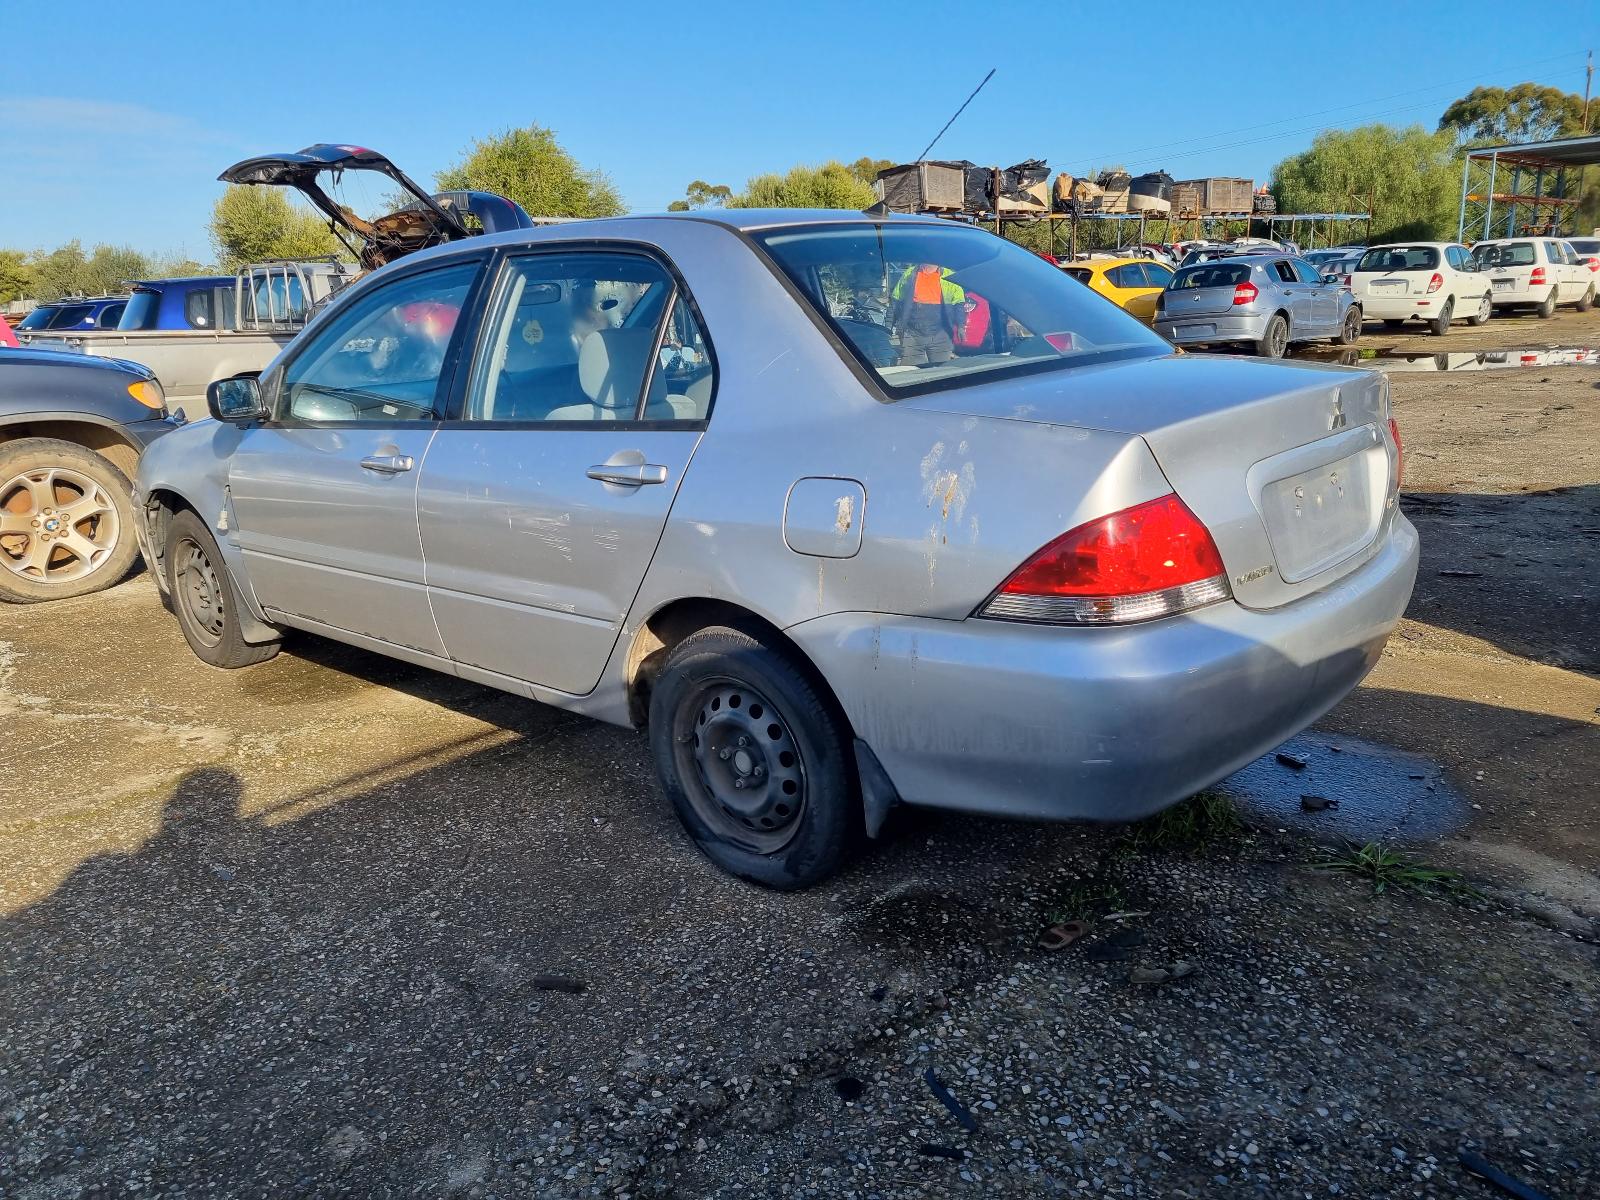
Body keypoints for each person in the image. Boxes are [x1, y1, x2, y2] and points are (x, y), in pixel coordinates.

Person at [891, 262, 967, 366]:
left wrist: (961, 326)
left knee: (941, 372)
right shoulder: (909, 274)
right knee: (912, 374)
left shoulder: (950, 276)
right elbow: (895, 301)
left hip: (941, 335)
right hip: (912, 335)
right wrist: (888, 328)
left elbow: (959, 304)